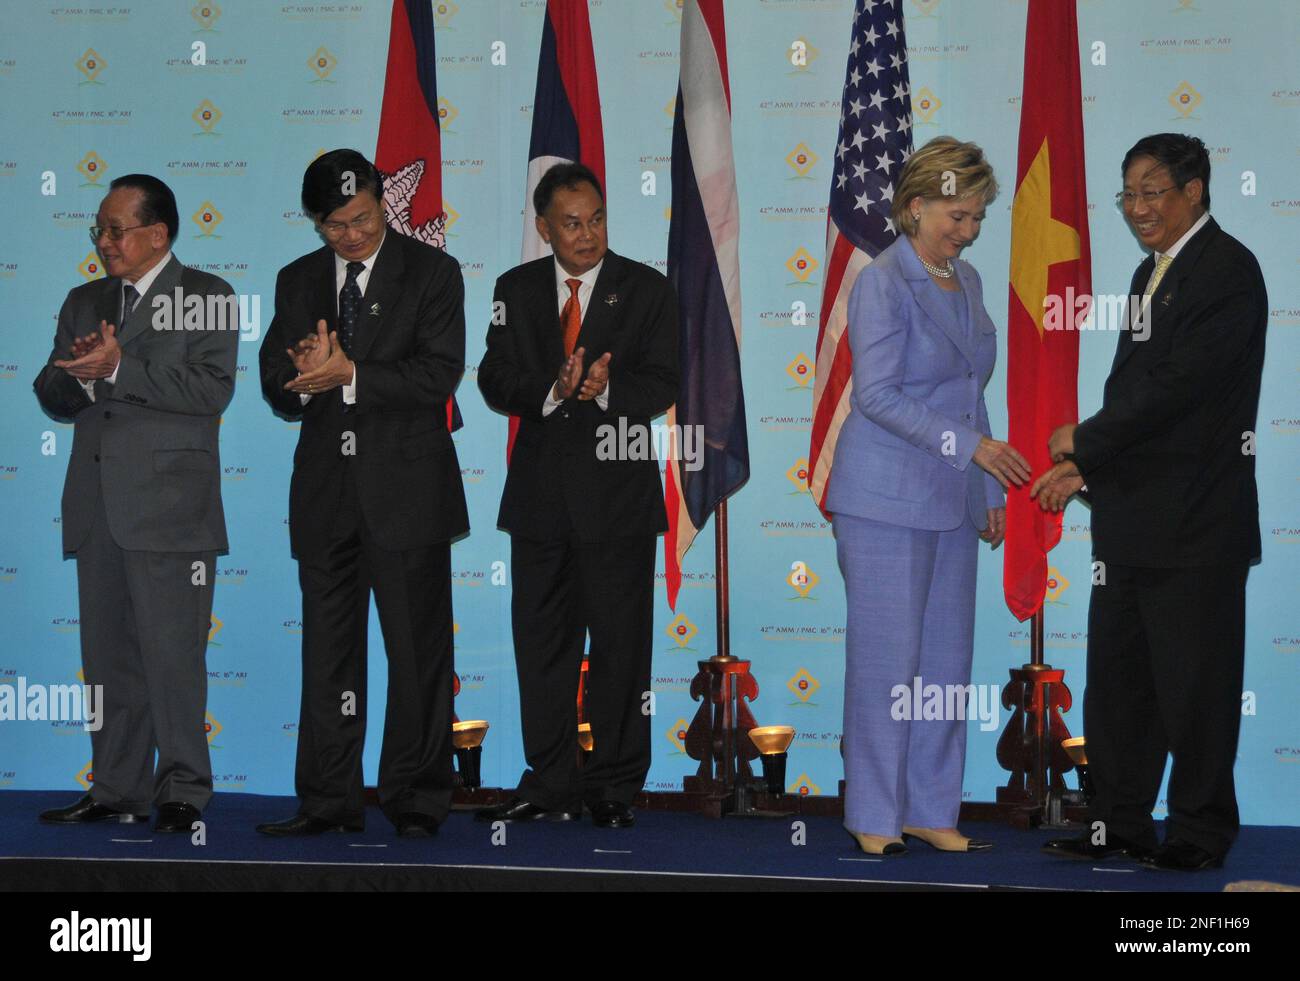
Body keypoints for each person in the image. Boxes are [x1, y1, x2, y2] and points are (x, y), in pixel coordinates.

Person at [1035, 134, 1266, 872]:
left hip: (1198, 525)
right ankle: (1118, 824)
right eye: (1128, 194)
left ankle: (1198, 832)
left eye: (1152, 191)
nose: (1138, 208)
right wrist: (1088, 473)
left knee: (1195, 691)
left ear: (1195, 190)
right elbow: (1136, 396)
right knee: (1121, 691)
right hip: (1131, 521)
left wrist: (1084, 442)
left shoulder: (1226, 270)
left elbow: (1178, 390)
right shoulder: (1147, 274)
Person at [255, 149, 468, 839]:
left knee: (416, 654)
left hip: (407, 493)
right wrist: (297, 377)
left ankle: (415, 797)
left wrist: (351, 374)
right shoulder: (298, 280)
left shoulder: (432, 271)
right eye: (334, 225)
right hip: (325, 496)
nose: (351, 234)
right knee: (328, 656)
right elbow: (271, 379)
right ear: (314, 222)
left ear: (382, 200)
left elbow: (437, 374)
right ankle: (327, 799)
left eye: (362, 218)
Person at [826, 137, 1029, 855]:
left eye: (977, 217)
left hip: (951, 500)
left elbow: (970, 396)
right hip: (882, 497)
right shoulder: (883, 280)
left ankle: (930, 805)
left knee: (944, 665)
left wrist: (984, 483)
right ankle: (875, 814)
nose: (968, 230)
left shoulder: (967, 281)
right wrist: (973, 450)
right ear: (915, 205)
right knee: (888, 663)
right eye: (957, 213)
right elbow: (877, 395)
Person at [33, 174, 238, 833]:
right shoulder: (83, 299)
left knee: (173, 657)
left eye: (116, 229)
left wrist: (120, 368)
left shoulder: (208, 296)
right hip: (97, 508)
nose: (104, 241)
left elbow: (210, 389)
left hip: (172, 510)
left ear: (158, 234)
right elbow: (49, 392)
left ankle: (182, 789)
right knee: (109, 661)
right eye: (99, 228)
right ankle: (116, 787)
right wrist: (79, 376)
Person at [476, 162, 678, 829]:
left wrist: (607, 391)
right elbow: (494, 377)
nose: (587, 234)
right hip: (539, 502)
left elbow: (665, 379)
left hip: (617, 500)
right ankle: (551, 780)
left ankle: (615, 784)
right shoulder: (515, 288)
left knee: (621, 649)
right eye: (571, 223)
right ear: (544, 227)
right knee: (543, 647)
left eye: (596, 219)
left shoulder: (644, 288)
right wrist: (555, 389)